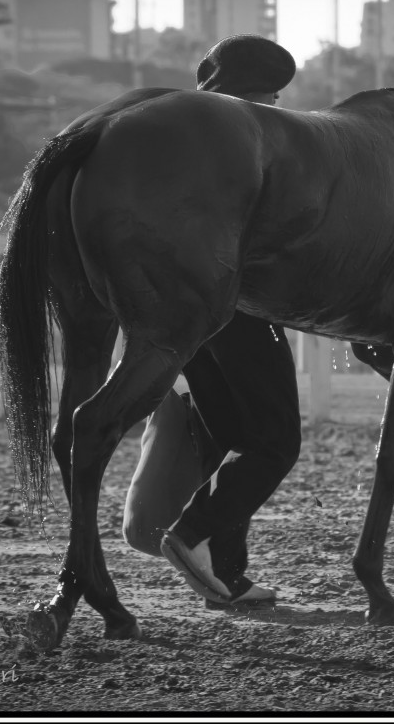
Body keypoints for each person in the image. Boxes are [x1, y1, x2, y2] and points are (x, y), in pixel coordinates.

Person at [122, 34, 302, 610]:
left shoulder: (171, 143)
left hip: (189, 320)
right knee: (274, 444)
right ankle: (192, 535)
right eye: (269, 98)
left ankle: (226, 573)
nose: (273, 108)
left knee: (232, 439)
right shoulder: (249, 144)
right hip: (243, 310)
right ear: (254, 97)